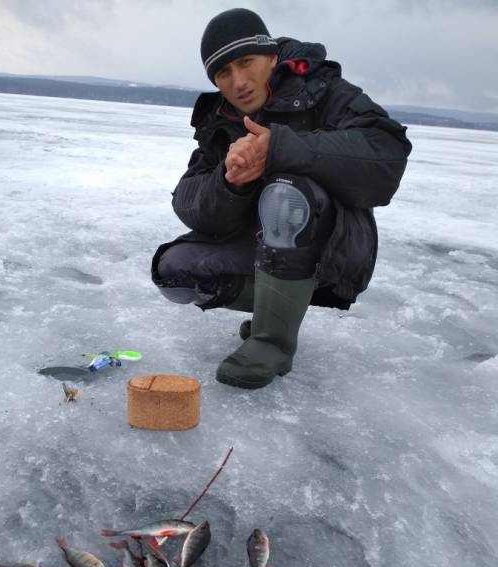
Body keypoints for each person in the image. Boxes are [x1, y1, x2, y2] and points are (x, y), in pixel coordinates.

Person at [151, 8, 412, 390]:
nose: (238, 81)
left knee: (285, 191)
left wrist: (282, 148)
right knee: (175, 269)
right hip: (262, 248)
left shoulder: (323, 91)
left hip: (335, 252)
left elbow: (387, 155)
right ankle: (276, 313)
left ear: (271, 57)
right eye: (223, 73)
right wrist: (230, 183)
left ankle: (272, 342)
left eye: (246, 62)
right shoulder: (220, 121)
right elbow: (187, 200)